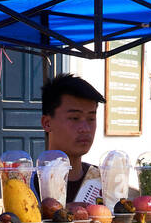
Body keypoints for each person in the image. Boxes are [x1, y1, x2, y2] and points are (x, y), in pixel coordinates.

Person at [40, 73, 105, 201]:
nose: (85, 129)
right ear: (47, 123)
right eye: (75, 118)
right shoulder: (28, 185)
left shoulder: (103, 183)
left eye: (91, 118)